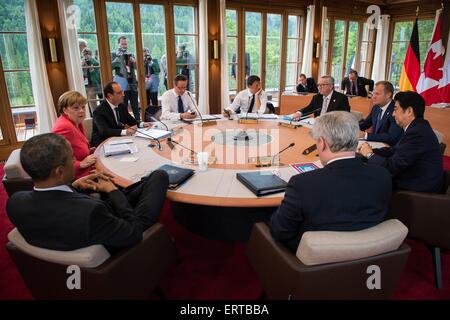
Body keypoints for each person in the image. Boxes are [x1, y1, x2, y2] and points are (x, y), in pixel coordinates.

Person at [7, 133, 169, 252]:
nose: (75, 162)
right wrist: (112, 190)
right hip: (120, 236)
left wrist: (74, 186)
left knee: (147, 182)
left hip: (91, 225)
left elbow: (56, 206)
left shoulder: (15, 202)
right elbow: (133, 233)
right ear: (59, 171)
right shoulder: (91, 211)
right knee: (160, 176)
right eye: (72, 158)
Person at [270, 111, 392, 253]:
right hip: (371, 256)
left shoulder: (302, 184)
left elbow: (280, 232)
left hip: (315, 262)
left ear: (321, 143)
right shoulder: (382, 175)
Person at [359, 91, 443, 193]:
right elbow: (395, 151)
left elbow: (391, 168)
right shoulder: (417, 127)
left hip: (417, 190)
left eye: (395, 109)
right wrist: (371, 151)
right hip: (414, 178)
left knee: (365, 178)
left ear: (409, 111)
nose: (393, 114)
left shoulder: (417, 133)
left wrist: (369, 154)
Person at [91, 82, 151, 147]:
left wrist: (141, 124)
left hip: (117, 140)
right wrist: (125, 132)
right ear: (110, 96)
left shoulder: (121, 106)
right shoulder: (99, 111)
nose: (123, 94)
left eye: (122, 92)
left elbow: (131, 121)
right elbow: (104, 131)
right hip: (102, 143)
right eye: (119, 93)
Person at [52, 91, 96, 179]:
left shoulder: (76, 122)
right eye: (76, 108)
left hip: (87, 169)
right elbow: (56, 158)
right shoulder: (64, 127)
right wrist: (80, 164)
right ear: (65, 110)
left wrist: (88, 150)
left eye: (83, 107)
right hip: (77, 176)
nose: (82, 111)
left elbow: (75, 146)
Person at [359, 81, 403, 145]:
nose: (373, 97)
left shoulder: (395, 110)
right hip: (375, 144)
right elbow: (366, 123)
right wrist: (352, 129)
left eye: (377, 94)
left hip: (388, 148)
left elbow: (392, 137)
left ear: (388, 95)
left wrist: (366, 135)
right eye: (373, 94)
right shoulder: (376, 107)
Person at [111, 36, 140, 122]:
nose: (124, 45)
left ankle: (138, 121)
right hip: (122, 81)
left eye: (125, 43)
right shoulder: (114, 54)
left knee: (135, 103)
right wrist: (117, 60)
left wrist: (134, 62)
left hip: (132, 81)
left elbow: (136, 68)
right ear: (118, 44)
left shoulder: (131, 54)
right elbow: (110, 67)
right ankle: (124, 122)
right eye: (122, 43)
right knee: (124, 103)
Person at [81, 47, 101, 114]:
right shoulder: (82, 62)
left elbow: (97, 77)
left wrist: (92, 70)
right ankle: (90, 117)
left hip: (93, 85)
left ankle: (95, 117)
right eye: (84, 55)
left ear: (91, 54)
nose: (86, 56)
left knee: (93, 104)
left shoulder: (95, 63)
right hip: (85, 85)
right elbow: (81, 75)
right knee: (86, 104)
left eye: (88, 54)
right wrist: (82, 66)